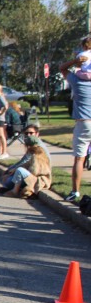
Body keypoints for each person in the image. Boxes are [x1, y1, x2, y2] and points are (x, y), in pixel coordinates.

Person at [59, 48, 91, 203]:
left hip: (83, 122)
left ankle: (75, 191)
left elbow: (62, 68)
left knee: (79, 159)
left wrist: (74, 61)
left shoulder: (76, 81)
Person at [0, 124, 51, 197]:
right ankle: (18, 189)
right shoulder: (33, 148)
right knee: (9, 179)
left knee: (11, 178)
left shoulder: (38, 151)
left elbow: (35, 170)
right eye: (26, 133)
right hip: (32, 176)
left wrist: (16, 170)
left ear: (37, 134)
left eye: (31, 133)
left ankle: (15, 191)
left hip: (40, 179)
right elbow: (25, 162)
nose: (28, 135)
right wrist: (10, 170)